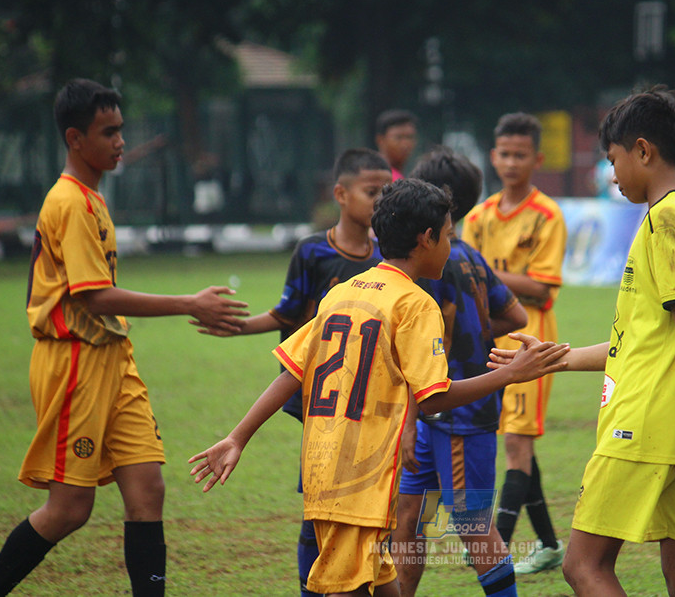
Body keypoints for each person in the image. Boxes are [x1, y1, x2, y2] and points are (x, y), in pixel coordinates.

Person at [189, 178, 570, 597]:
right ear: (427, 239)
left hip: (325, 467)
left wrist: (237, 437)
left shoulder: (344, 292)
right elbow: (435, 398)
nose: (450, 244)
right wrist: (509, 373)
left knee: (382, 583)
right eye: (447, 236)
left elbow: (291, 373)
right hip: (360, 480)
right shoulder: (415, 303)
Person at [0, 79, 249, 597]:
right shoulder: (70, 201)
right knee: (69, 509)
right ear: (75, 138)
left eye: (121, 130)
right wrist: (189, 302)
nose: (120, 141)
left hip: (114, 359)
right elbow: (94, 297)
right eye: (109, 132)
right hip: (74, 362)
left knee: (148, 489)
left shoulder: (92, 197)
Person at [515, 87, 675, 596]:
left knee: (583, 566)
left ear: (643, 151)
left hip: (646, 423)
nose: (612, 174)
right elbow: (644, 341)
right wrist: (551, 360)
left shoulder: (664, 218)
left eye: (613, 160)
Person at [195, 147, 392, 597]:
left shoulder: (388, 256)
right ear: (341, 194)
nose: (379, 201)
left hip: (366, 392)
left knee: (358, 504)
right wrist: (240, 328)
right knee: (319, 501)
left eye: (386, 191)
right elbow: (288, 315)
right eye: (371, 191)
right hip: (317, 392)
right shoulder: (312, 252)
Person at [392, 147, 528, 596]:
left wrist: (409, 421)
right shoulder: (469, 254)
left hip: (455, 416)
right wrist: (482, 333)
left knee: (472, 528)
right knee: (406, 517)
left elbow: (425, 354)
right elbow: (515, 316)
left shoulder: (431, 264)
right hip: (434, 416)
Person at [462, 112, 568, 574]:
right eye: (504, 153)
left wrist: (483, 271)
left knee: (516, 447)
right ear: (492, 156)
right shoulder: (480, 215)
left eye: (520, 155)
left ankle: (495, 548)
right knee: (519, 444)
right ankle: (547, 544)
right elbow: (464, 280)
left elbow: (542, 288)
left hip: (531, 343)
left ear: (537, 159)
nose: (510, 162)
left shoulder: (548, 214)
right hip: (487, 344)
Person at [375, 110, 419, 181]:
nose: (405, 144)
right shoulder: (377, 177)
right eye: (398, 137)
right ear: (380, 140)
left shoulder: (400, 177)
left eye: (410, 137)